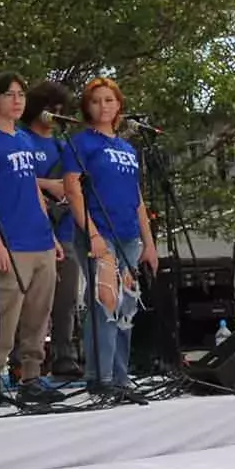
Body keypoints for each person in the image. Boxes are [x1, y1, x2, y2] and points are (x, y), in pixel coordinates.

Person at [0, 72, 64, 408]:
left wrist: (52, 234)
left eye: (21, 94)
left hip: (40, 238)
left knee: (39, 313)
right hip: (12, 240)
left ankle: (32, 376)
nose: (18, 100)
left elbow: (34, 191)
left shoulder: (25, 139)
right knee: (5, 312)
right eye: (10, 94)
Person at [62, 78, 158, 399]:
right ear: (87, 107)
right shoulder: (82, 143)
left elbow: (137, 198)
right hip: (98, 232)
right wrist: (91, 233)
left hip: (129, 235)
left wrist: (149, 243)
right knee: (105, 300)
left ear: (119, 105)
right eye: (96, 101)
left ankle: (120, 377)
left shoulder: (128, 149)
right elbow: (72, 190)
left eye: (109, 100)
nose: (104, 106)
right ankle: (98, 378)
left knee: (126, 307)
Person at [20, 79, 77, 388]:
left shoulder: (63, 146)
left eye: (60, 109)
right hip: (34, 230)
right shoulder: (23, 139)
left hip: (65, 227)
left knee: (65, 297)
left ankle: (64, 355)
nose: (56, 113)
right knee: (35, 300)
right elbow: (17, 179)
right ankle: (27, 359)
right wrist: (48, 186)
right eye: (50, 107)